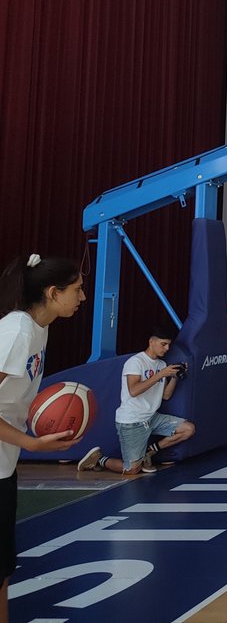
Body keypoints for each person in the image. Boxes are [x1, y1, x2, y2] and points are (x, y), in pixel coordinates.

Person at [0, 254, 88, 622]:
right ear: (53, 293)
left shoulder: (39, 327)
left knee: (3, 564)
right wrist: (32, 443)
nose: (82, 297)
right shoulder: (18, 331)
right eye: (78, 289)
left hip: (4, 461)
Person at [77, 328, 195, 475]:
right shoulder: (135, 362)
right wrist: (161, 375)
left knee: (188, 429)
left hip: (152, 418)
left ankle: (149, 452)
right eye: (163, 344)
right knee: (132, 469)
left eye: (168, 345)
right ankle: (99, 459)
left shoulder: (161, 365)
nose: (167, 348)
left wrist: (175, 377)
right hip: (132, 421)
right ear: (151, 342)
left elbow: (165, 396)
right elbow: (134, 390)